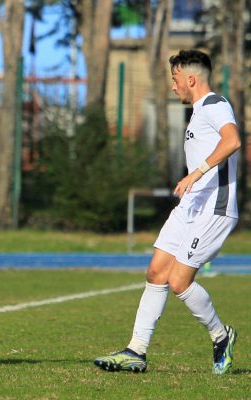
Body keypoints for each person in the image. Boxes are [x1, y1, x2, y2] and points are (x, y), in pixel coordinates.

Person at [94, 49, 240, 374]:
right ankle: (136, 351)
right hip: (190, 206)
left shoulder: (215, 105)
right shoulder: (199, 111)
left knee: (178, 281)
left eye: (175, 80)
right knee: (156, 272)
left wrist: (196, 172)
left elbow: (232, 141)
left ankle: (221, 336)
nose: (173, 87)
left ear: (191, 79)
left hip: (214, 208)